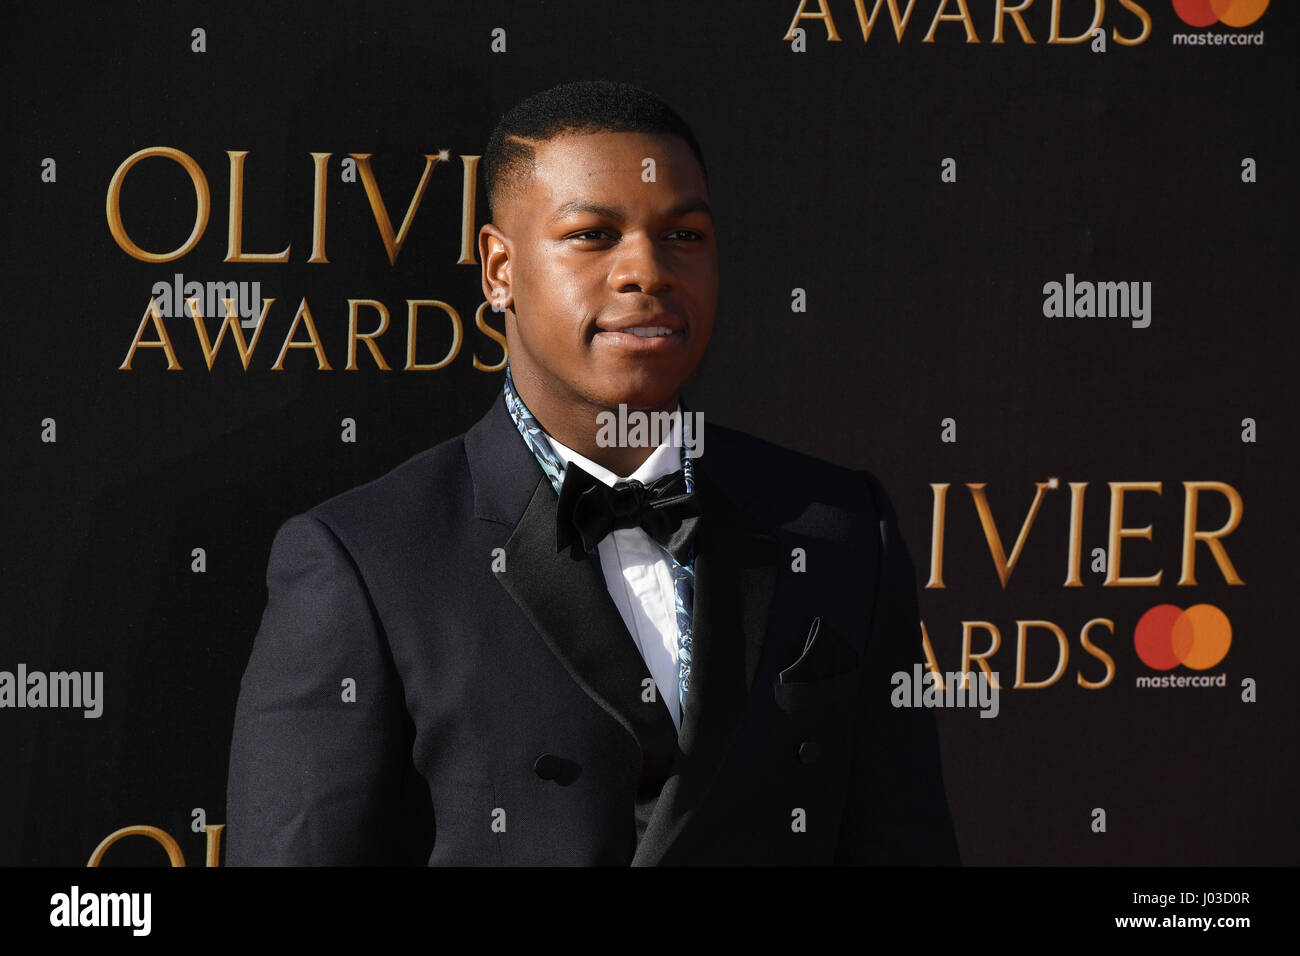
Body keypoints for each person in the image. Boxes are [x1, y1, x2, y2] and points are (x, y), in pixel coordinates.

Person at [225, 79, 960, 865]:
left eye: (683, 236)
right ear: (498, 269)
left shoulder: (840, 528)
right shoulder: (367, 561)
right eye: (593, 235)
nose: (647, 270)